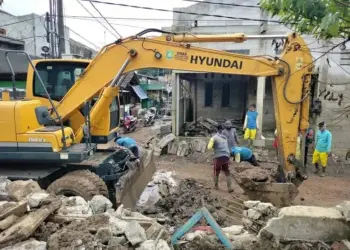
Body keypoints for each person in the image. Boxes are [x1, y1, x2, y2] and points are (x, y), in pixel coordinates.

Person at [207, 125, 233, 193]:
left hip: (219, 157)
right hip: (226, 156)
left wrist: (213, 145)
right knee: (227, 172)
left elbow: (209, 147)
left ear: (215, 131)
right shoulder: (225, 137)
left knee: (216, 172)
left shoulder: (213, 138)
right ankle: (229, 188)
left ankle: (216, 186)